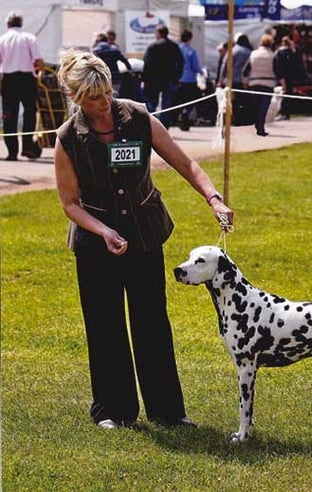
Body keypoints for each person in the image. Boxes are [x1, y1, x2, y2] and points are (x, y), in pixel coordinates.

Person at [54, 50, 233, 430]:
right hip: (96, 242)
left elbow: (186, 164)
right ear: (76, 98)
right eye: (93, 98)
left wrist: (214, 198)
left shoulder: (138, 117)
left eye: (106, 92)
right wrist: (103, 231)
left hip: (145, 234)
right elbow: (69, 203)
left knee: (152, 322)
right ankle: (112, 410)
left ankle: (168, 411)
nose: (104, 102)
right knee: (105, 325)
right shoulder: (68, 138)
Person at [0, 11, 43, 161]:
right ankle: (27, 146)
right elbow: (38, 61)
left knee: (9, 115)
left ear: (8, 24)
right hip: (26, 79)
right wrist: (39, 72)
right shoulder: (29, 38)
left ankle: (12, 152)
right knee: (29, 113)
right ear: (21, 23)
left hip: (8, 79)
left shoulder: (2, 39)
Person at [143, 24, 184, 129]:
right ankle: (164, 126)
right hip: (169, 78)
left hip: (154, 79)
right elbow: (181, 62)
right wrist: (177, 76)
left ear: (158, 33)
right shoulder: (174, 46)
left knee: (152, 102)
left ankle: (151, 125)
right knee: (167, 104)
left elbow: (146, 63)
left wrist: (145, 79)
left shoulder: (153, 46)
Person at [242, 34, 277, 137]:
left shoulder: (253, 54)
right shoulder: (272, 55)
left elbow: (246, 70)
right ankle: (260, 127)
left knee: (256, 106)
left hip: (254, 82)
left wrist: (245, 81)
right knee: (263, 107)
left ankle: (257, 124)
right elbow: (277, 70)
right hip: (268, 83)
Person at [218, 33, 253, 126]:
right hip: (243, 81)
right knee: (243, 101)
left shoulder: (232, 51)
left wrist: (221, 78)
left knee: (231, 101)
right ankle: (242, 119)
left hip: (230, 80)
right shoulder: (249, 52)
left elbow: (224, 65)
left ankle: (233, 119)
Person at [177, 29, 203, 131]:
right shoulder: (191, 51)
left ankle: (180, 115)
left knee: (180, 100)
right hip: (190, 80)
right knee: (191, 101)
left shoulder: (177, 49)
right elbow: (195, 66)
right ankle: (185, 115)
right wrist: (201, 72)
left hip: (178, 79)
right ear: (190, 39)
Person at [273, 36, 303, 121]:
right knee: (288, 94)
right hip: (291, 76)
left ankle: (282, 113)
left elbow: (277, 66)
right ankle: (287, 113)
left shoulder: (279, 52)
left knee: (282, 94)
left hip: (281, 77)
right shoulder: (293, 52)